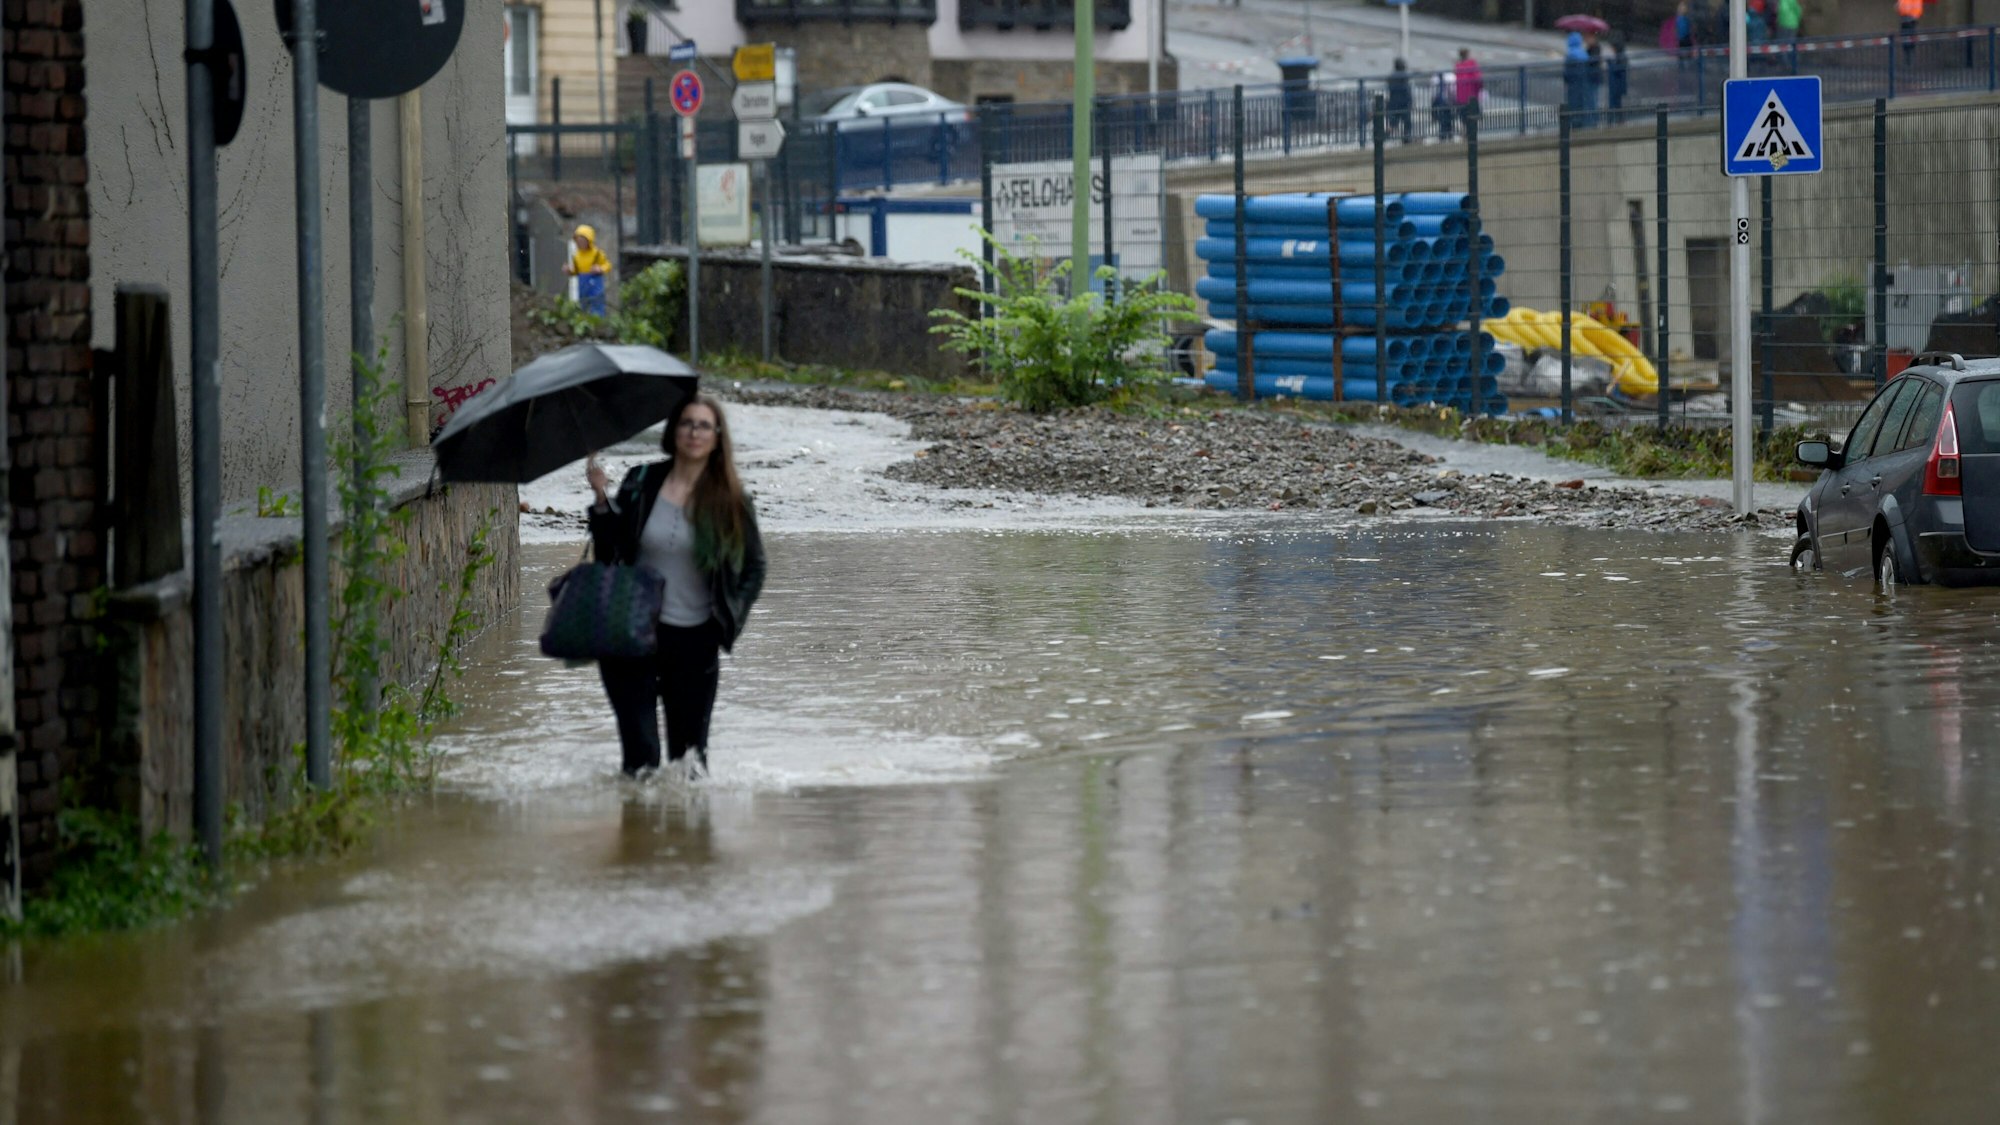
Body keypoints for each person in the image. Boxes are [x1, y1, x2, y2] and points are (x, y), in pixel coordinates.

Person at [586, 394, 767, 779]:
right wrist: (601, 499)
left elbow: (755, 565)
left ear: (717, 437)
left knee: (691, 764)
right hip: (631, 635)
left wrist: (730, 618)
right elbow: (609, 552)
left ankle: (690, 839)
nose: (694, 432)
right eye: (687, 423)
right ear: (673, 432)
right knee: (641, 764)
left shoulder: (730, 499)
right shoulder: (642, 480)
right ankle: (639, 835)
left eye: (704, 425)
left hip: (696, 640)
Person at [564, 224, 611, 316]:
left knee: (597, 304)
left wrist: (600, 269)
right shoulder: (576, 256)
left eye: (582, 241)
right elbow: (576, 272)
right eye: (578, 241)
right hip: (582, 284)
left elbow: (608, 265)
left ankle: (598, 322)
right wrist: (569, 271)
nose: (580, 243)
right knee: (583, 304)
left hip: (595, 283)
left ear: (589, 241)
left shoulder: (597, 253)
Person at [1563, 31, 1591, 124]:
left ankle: (1574, 123)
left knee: (1572, 103)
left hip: (1573, 84)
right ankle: (1582, 122)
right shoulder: (1583, 53)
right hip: (1583, 82)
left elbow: (1567, 72)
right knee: (1581, 103)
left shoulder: (1571, 54)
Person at [1454, 47, 1484, 131]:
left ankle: (1467, 134)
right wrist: (1480, 88)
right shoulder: (1472, 63)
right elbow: (1478, 78)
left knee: (1464, 117)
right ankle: (1472, 135)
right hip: (1472, 95)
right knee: (1474, 116)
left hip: (1460, 97)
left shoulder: (1458, 65)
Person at [1386, 58, 1413, 144]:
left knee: (1393, 123)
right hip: (1404, 102)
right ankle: (1406, 138)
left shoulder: (1391, 76)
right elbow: (1407, 90)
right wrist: (1411, 102)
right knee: (1407, 122)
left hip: (1393, 102)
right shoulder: (1405, 76)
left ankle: (1384, 138)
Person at [1607, 38, 1629, 122]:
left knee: (1616, 103)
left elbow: (1618, 70)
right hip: (1617, 85)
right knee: (1616, 103)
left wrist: (1610, 64)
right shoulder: (1619, 56)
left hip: (1617, 85)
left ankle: (1614, 120)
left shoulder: (1621, 57)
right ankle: (1617, 119)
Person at [1430, 70, 1456, 142]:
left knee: (1444, 118)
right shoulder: (1451, 77)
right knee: (1448, 117)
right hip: (1447, 101)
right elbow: (1453, 91)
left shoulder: (1435, 79)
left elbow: (1433, 94)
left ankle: (1444, 134)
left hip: (1442, 101)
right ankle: (1448, 133)